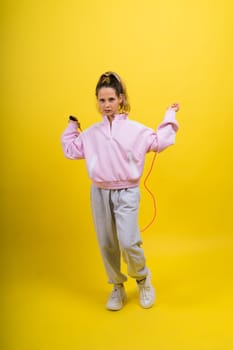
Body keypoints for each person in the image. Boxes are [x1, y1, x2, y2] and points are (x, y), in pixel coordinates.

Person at [61, 71, 179, 311]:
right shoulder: (92, 133)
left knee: (128, 241)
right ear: (97, 101)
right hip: (100, 192)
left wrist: (170, 115)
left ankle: (143, 280)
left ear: (121, 99)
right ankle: (117, 286)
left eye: (111, 100)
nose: (106, 105)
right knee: (106, 243)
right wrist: (73, 126)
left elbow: (160, 142)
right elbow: (72, 150)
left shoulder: (136, 130)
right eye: (102, 100)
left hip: (127, 192)